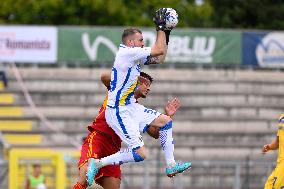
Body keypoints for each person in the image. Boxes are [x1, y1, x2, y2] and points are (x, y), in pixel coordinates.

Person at [87, 8, 191, 186]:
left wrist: (166, 32)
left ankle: (171, 165)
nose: (143, 43)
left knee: (166, 121)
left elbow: (160, 58)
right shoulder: (127, 53)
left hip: (129, 106)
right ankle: (97, 163)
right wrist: (160, 27)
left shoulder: (133, 56)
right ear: (130, 42)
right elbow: (158, 49)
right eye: (141, 40)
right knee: (141, 154)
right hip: (118, 111)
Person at [72, 71, 181, 189]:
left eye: (150, 86)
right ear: (137, 81)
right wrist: (131, 77)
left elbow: (154, 133)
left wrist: (167, 116)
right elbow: (104, 77)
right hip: (98, 140)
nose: (148, 88)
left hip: (114, 150)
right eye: (146, 84)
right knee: (84, 180)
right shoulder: (117, 93)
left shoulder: (137, 110)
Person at [262, 113, 284, 189]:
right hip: (280, 163)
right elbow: (278, 141)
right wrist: (269, 147)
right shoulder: (282, 117)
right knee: (268, 186)